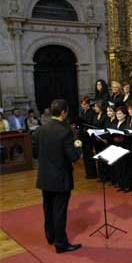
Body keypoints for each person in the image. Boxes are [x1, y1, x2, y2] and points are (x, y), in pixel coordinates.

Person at [33, 99, 83, 253]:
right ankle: (61, 244)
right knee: (59, 211)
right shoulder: (65, 131)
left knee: (48, 209)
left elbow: (35, 154)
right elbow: (73, 157)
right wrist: (78, 146)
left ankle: (51, 237)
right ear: (63, 112)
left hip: (45, 177)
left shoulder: (40, 130)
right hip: (60, 178)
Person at [78, 96, 98, 179]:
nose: (83, 106)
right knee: (85, 155)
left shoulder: (92, 112)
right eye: (82, 104)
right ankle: (88, 173)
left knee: (89, 154)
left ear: (88, 104)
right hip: (83, 135)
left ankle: (92, 173)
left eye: (84, 104)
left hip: (89, 136)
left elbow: (91, 123)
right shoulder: (82, 112)